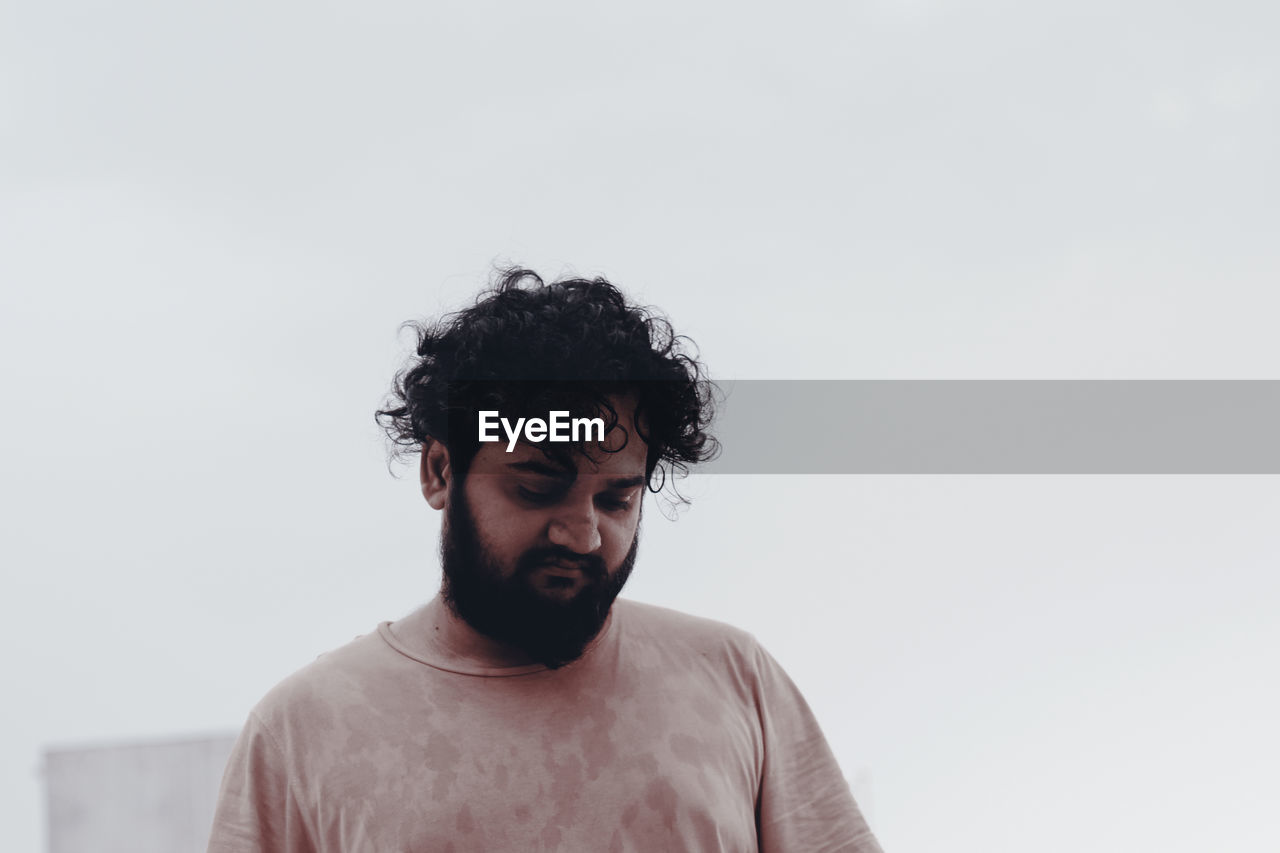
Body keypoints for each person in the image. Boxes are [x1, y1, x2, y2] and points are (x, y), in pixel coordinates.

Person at [207, 268, 883, 852]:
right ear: (441, 470)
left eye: (617, 499)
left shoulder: (736, 680)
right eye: (537, 487)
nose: (583, 535)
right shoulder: (304, 729)